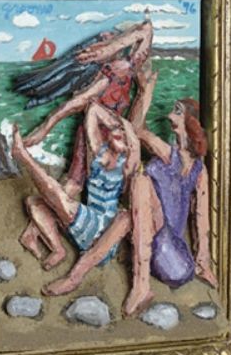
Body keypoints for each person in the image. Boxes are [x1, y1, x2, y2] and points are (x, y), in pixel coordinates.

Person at [38, 66, 217, 317]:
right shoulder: (188, 164)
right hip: (160, 252)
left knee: (140, 181)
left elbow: (135, 132)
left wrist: (145, 92)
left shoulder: (175, 158)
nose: (169, 114)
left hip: (171, 256)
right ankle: (75, 276)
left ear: (190, 122)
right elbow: (201, 221)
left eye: (177, 110)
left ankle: (140, 286)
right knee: (125, 216)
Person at [17, 21, 153, 270]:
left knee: (77, 186)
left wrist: (113, 45)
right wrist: (45, 128)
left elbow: (146, 30)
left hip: (112, 139)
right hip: (95, 136)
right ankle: (36, 232)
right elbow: (75, 103)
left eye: (114, 37)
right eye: (106, 37)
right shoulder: (109, 75)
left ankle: (36, 232)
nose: (113, 39)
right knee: (73, 184)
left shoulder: (127, 68)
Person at [11, 101, 140, 277]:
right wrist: (117, 124)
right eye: (118, 131)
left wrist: (127, 129)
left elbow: (135, 149)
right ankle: (58, 249)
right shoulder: (98, 152)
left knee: (58, 196)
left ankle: (23, 156)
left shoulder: (127, 166)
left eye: (125, 138)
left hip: (102, 231)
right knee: (34, 203)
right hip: (84, 223)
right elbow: (93, 109)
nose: (120, 135)